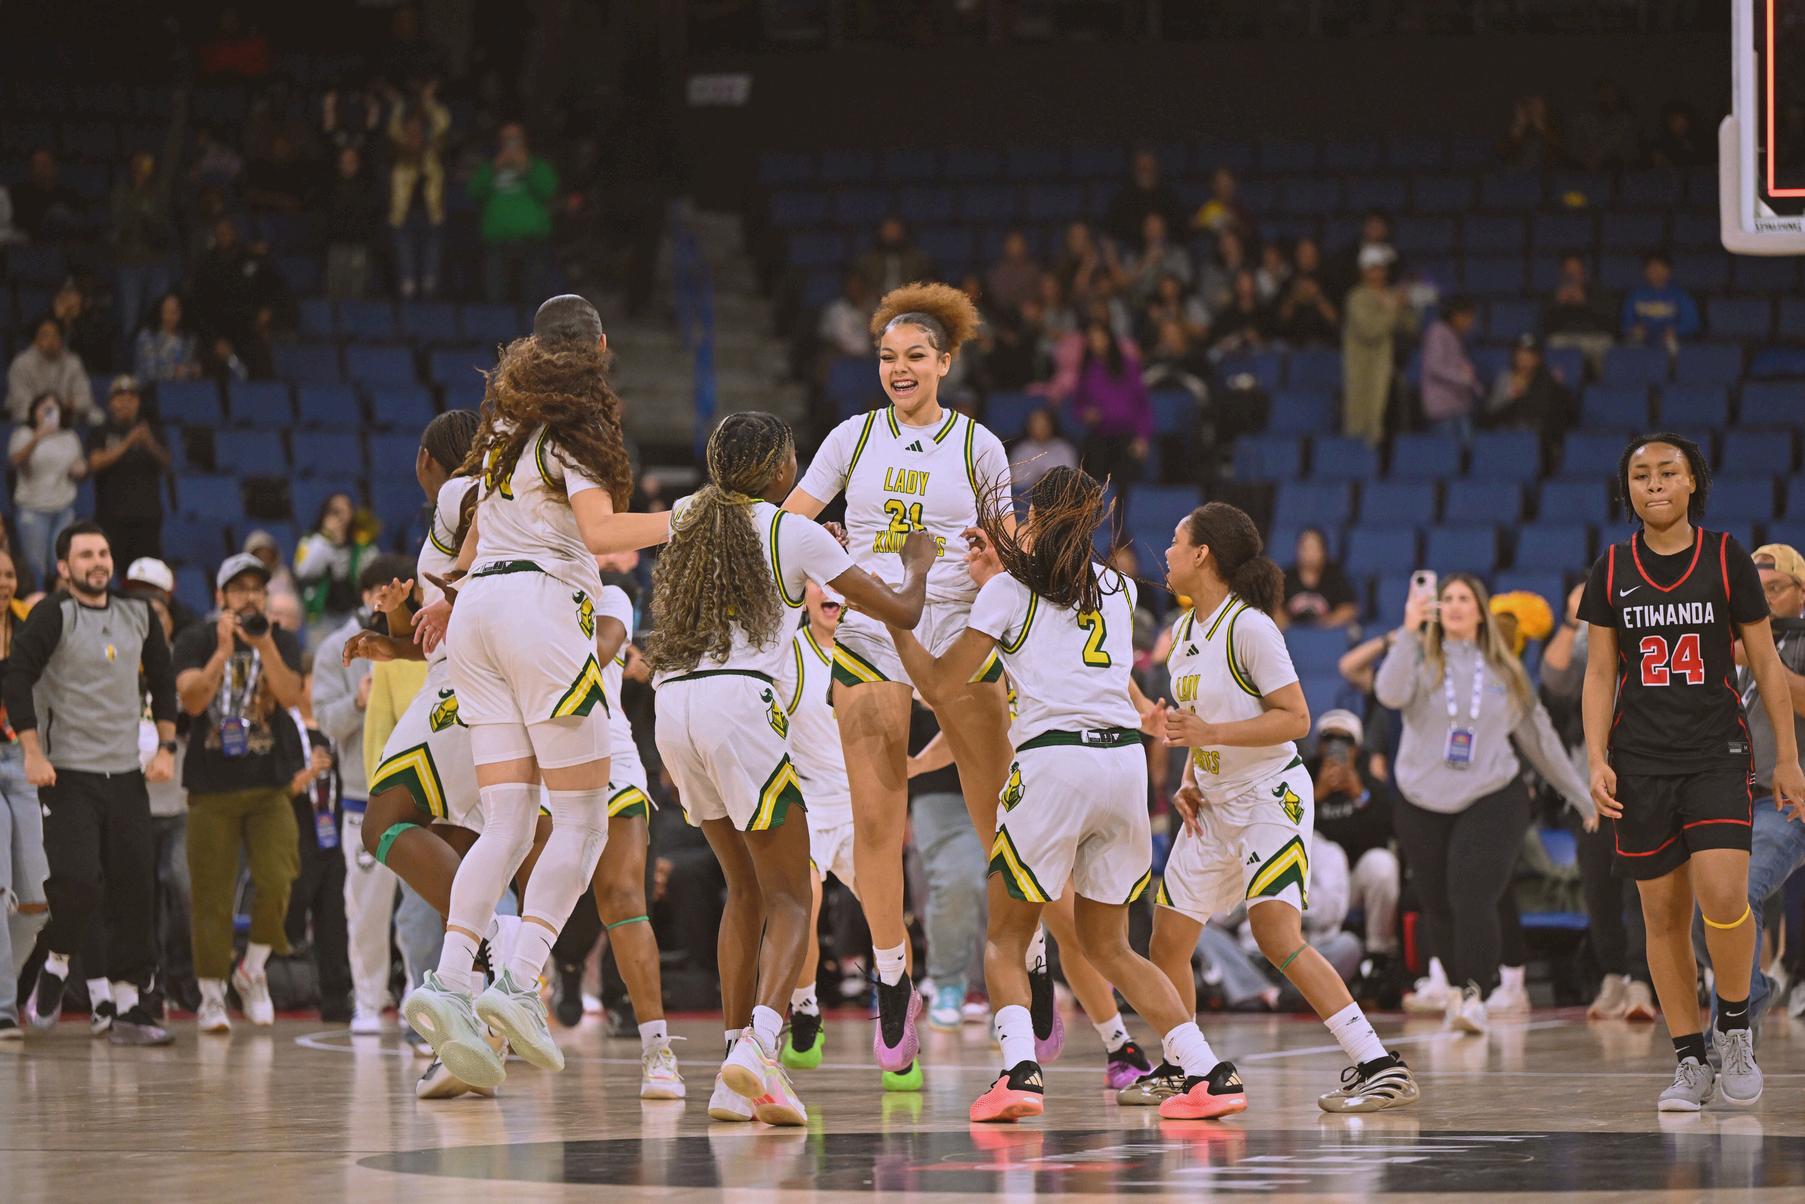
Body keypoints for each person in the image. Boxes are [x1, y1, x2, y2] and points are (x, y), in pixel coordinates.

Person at [883, 466, 1226, 1122]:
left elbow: (938, 685)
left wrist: (900, 611)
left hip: (1053, 764)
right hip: (1122, 767)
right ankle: (1209, 1072)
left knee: (1006, 937)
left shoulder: (1009, 590)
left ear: (1034, 518)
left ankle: (1019, 1074)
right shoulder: (1119, 588)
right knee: (1111, 946)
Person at [401, 296, 673, 1090]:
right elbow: (600, 532)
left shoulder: (500, 429)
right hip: (540, 612)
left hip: (477, 612)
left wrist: (451, 598)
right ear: (599, 346)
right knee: (582, 821)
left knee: (510, 821)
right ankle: (519, 980)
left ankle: (449, 981)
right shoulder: (575, 422)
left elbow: (472, 543)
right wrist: (689, 515)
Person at [648, 410, 934, 1126]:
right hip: (739, 706)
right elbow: (901, 610)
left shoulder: (690, 520)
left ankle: (732, 1071)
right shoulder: (793, 531)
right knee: (791, 900)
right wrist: (919, 562)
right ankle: (762, 1045)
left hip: (672, 706)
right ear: (780, 469)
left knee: (743, 890)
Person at [781, 282, 1019, 1089]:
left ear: (944, 363)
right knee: (876, 821)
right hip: (870, 629)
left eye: (915, 355)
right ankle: (892, 976)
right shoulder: (851, 436)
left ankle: (1029, 956)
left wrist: (1013, 570)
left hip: (954, 630)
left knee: (996, 819)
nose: (899, 368)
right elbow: (790, 519)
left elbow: (1005, 545)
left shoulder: (977, 445)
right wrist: (810, 559)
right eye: (887, 357)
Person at [1127, 501, 1416, 1115]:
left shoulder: (1251, 627)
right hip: (1213, 801)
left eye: (1176, 542)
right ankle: (1186, 1066)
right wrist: (1190, 775)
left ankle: (1377, 1064)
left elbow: (1296, 719)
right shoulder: (1184, 633)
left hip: (1268, 794)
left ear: (1202, 554)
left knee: (1275, 933)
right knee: (1167, 940)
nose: (1166, 553)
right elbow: (1196, 724)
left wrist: (1211, 737)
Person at [1579, 434, 1804, 1111]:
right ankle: (1688, 1060)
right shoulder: (1611, 566)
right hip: (1639, 760)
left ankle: (1733, 1030)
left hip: (1716, 753)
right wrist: (1595, 757)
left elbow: (1766, 666)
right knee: (1662, 915)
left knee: (1724, 899)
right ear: (1627, 489)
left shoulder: (1725, 557)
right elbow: (1598, 673)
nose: (1653, 484)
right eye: (1640, 475)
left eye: (1667, 472)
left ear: (1691, 483)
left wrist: (1788, 757)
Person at [1378, 572, 1597, 1032]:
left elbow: (1541, 741)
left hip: (1493, 794)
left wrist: (1582, 798)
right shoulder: (1418, 657)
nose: (1455, 605)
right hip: (1421, 798)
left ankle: (1475, 993)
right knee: (1437, 903)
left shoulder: (1505, 670)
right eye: (1448, 598)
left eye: (1465, 598)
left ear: (1481, 611)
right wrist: (1409, 630)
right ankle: (1459, 990)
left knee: (1472, 892)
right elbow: (1388, 694)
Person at [6, 523, 177, 1045]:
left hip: (124, 774)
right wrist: (32, 751)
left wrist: (167, 747)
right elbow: (16, 676)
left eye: (103, 552)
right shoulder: (54, 614)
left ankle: (128, 1008)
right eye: (85, 555)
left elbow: (163, 676)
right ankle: (56, 961)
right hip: (67, 774)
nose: (97, 562)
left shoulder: (137, 613)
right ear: (64, 567)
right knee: (78, 883)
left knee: (135, 888)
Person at [545, 552, 686, 1100]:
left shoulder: (612, 594)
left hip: (612, 747)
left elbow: (600, 650)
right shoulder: (521, 587)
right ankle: (551, 976)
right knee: (558, 898)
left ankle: (656, 1048)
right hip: (538, 754)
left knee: (626, 896)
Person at [172, 551, 307, 1033]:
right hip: (211, 790)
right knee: (210, 894)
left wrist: (264, 645)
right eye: (240, 588)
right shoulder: (196, 638)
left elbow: (292, 697)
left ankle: (251, 970)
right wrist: (222, 652)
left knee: (278, 878)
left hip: (269, 786)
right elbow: (191, 700)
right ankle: (211, 996)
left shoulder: (281, 640)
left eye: (257, 588)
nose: (250, 597)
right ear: (221, 595)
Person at [1538, 582, 1659, 1022]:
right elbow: (1554, 681)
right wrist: (1572, 620)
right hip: (1591, 786)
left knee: (1642, 887)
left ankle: (1642, 980)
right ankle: (1611, 976)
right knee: (1598, 885)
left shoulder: (1648, 631)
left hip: (1648, 780)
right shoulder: (1586, 639)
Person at [312, 554, 414, 1032]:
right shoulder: (335, 648)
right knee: (367, 908)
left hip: (420, 793)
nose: (388, 603)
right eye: (382, 594)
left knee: (421, 907)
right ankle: (369, 1001)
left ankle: (420, 996)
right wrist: (359, 699)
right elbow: (326, 723)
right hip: (362, 793)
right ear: (367, 595)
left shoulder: (423, 641)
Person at [1708, 543, 1805, 1025]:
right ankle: (1753, 991)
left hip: (1784, 803)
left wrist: (1764, 659)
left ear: (1802, 593)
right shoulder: (1727, 642)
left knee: (1737, 894)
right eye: (1755, 589)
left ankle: (1729, 1033)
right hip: (1726, 798)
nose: (1764, 599)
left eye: (1776, 588)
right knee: (1702, 910)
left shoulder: (1795, 643)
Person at [773, 582, 856, 1072]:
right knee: (803, 898)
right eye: (818, 581)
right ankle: (804, 1006)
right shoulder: (788, 653)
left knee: (887, 914)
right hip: (809, 802)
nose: (830, 591)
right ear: (803, 592)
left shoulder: (870, 644)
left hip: (863, 802)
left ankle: (896, 1013)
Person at [905, 701, 989, 1033]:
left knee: (1016, 892)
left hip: (1010, 777)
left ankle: (1014, 996)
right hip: (939, 788)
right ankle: (952, 984)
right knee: (958, 883)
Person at [1309, 709, 1402, 981]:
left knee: (1382, 865)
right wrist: (1316, 795)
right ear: (1319, 744)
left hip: (1352, 882)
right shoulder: (1302, 776)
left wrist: (1359, 795)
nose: (1336, 747)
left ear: (1357, 748)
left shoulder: (1369, 781)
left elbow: (1385, 835)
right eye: (1330, 739)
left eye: (1345, 741)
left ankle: (1379, 954)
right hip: (1312, 886)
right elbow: (1284, 829)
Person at [0, 549, 47, 1038]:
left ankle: (2, 985)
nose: (3, 582)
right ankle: (4, 1008)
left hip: (23, 755)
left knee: (35, 902)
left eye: (9, 574)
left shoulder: (30, 626)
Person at [281, 686, 349, 1022]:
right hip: (297, 834)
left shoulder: (337, 724)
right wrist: (309, 772)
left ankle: (336, 997)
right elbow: (279, 789)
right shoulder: (286, 725)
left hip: (333, 835)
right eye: (313, 681)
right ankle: (259, 977)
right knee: (289, 914)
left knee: (334, 920)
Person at [86, 376, 171, 569]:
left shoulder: (151, 430)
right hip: (111, 518)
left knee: (146, 574)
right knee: (108, 572)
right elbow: (95, 463)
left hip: (147, 519)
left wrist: (149, 443)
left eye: (131, 398)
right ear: (110, 402)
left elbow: (167, 462)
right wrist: (128, 443)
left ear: (138, 402)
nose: (126, 402)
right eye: (120, 398)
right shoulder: (101, 431)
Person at [468, 122, 558, 305]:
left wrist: (527, 169)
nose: (511, 143)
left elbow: (549, 191)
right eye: (506, 139)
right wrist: (494, 169)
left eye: (515, 138)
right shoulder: (489, 167)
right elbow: (474, 193)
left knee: (533, 297)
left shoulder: (537, 166)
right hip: (497, 240)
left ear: (524, 141)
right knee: (495, 296)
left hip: (532, 240)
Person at [9, 393, 88, 588]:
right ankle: (36, 600)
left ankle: (59, 602)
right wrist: (39, 435)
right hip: (33, 509)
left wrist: (80, 469)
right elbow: (15, 460)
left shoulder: (70, 437)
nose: (49, 411)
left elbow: (80, 466)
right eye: (44, 407)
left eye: (54, 407)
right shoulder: (24, 434)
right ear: (34, 411)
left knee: (61, 563)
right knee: (35, 567)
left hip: (63, 508)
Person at [1342, 246, 1414, 446]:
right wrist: (1392, 309)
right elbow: (1370, 330)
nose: (1379, 273)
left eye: (1382, 268)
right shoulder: (1357, 297)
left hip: (1392, 370)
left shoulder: (1391, 294)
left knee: (1395, 426)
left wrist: (1404, 306)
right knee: (1364, 427)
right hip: (1367, 372)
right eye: (1374, 268)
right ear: (1364, 271)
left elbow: (1410, 327)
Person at [387, 84, 451, 300]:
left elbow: (442, 123)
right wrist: (400, 106)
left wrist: (428, 102)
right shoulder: (400, 161)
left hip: (431, 219)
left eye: (418, 131)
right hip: (402, 220)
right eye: (410, 131)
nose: (414, 135)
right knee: (407, 283)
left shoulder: (432, 156)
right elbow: (393, 128)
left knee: (430, 282)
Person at [1071, 319, 1151, 488]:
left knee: (1125, 486)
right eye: (1093, 340)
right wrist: (1085, 413)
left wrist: (1142, 437)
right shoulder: (1087, 370)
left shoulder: (1129, 365)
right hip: (1099, 437)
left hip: (1127, 437)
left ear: (1110, 339)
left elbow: (1142, 405)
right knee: (1095, 486)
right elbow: (1078, 404)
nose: (1097, 344)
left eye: (1101, 338)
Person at [295, 492, 373, 644]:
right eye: (335, 511)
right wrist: (326, 538)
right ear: (325, 514)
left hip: (352, 610)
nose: (340, 517)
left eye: (345, 511)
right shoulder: (310, 541)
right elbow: (303, 571)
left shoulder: (361, 543)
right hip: (321, 612)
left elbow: (368, 575)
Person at [1485, 335, 1572, 447]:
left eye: (1529, 354)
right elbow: (1488, 417)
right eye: (1520, 353)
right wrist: (1511, 397)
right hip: (1506, 438)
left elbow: (1555, 418)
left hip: (1535, 441)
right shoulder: (1505, 379)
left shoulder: (1548, 382)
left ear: (1538, 358)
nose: (1523, 358)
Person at [7, 318, 95, 426]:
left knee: (97, 416)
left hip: (65, 418)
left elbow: (85, 399)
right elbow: (22, 403)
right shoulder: (21, 363)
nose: (51, 340)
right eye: (45, 335)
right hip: (32, 421)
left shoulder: (73, 361)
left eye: (55, 335)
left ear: (61, 339)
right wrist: (48, 413)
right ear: (35, 340)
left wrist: (66, 407)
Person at [1420, 297, 1481, 444]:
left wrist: (1474, 385)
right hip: (1442, 408)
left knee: (1468, 448)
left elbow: (1459, 368)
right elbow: (1435, 366)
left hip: (1459, 406)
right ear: (1456, 315)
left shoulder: (1455, 335)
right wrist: (1463, 379)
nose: (1470, 322)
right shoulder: (1437, 332)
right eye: (1467, 317)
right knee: (1445, 452)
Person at [1282, 527, 1359, 630]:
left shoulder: (1335, 576)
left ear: (1324, 551)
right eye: (1305, 548)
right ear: (1297, 550)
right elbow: (1273, 608)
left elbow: (1349, 608)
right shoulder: (1284, 576)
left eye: (1314, 548)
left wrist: (1326, 625)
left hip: (1326, 636)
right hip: (1290, 637)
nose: (1309, 553)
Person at [1621, 253, 1700, 352]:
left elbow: (1692, 323)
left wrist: (1676, 331)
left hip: (1673, 341)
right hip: (1642, 342)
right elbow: (1625, 324)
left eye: (1661, 268)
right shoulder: (1635, 295)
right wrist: (1634, 329)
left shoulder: (1681, 295)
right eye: (1652, 269)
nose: (1656, 272)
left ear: (1669, 271)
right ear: (1645, 271)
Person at [853, 217, 936, 297]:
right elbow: (858, 284)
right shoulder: (868, 260)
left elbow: (928, 282)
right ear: (880, 232)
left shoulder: (918, 259)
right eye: (888, 230)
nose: (892, 235)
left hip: (910, 300)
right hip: (874, 301)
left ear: (903, 232)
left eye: (895, 230)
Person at [133, 292, 203, 383]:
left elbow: (189, 367)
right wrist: (174, 372)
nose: (169, 317)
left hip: (181, 388)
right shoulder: (147, 336)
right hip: (150, 388)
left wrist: (193, 370)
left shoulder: (189, 338)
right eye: (165, 312)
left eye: (174, 312)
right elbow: (151, 374)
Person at [1008, 407, 1079, 495]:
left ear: (1051, 425)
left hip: (1059, 496)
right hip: (1026, 497)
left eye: (1043, 424)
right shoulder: (1021, 450)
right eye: (1036, 424)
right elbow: (1014, 481)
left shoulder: (1064, 449)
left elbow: (1072, 478)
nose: (1040, 428)